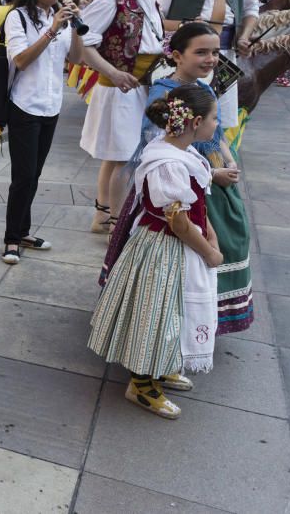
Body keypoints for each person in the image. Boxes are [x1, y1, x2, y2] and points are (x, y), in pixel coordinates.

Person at [89, 83, 222, 419]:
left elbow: (195, 208)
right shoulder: (168, 163)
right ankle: (142, 385)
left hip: (179, 244)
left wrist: (209, 234)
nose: (216, 124)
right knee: (156, 313)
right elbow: (177, 221)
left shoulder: (183, 154)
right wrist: (208, 251)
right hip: (162, 248)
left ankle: (161, 366)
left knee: (172, 312)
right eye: (213, 118)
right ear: (194, 122)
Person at [142, 23, 253, 334]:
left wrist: (228, 159)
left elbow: (216, 134)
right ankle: (183, 322)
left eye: (215, 52)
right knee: (193, 250)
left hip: (213, 175)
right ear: (177, 56)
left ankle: (210, 316)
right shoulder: (164, 93)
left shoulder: (204, 88)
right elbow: (164, 145)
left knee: (233, 237)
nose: (211, 59)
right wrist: (212, 173)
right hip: (188, 182)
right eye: (201, 52)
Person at [79, 0, 170, 235]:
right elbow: (82, 45)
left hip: (141, 85)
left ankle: (103, 215)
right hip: (121, 88)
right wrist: (114, 73)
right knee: (125, 158)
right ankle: (118, 224)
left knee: (117, 155)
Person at [1, 0, 84, 264]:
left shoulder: (59, 18)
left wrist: (77, 29)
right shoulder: (18, 18)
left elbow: (74, 57)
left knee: (34, 174)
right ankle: (11, 239)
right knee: (22, 176)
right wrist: (51, 30)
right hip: (24, 105)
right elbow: (20, 60)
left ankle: (23, 230)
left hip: (51, 105)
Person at [156, 0, 259, 139]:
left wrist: (244, 36)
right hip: (186, 55)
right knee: (182, 117)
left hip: (226, 54)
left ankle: (210, 166)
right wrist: (184, 26)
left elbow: (251, 9)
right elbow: (155, 14)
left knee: (217, 117)